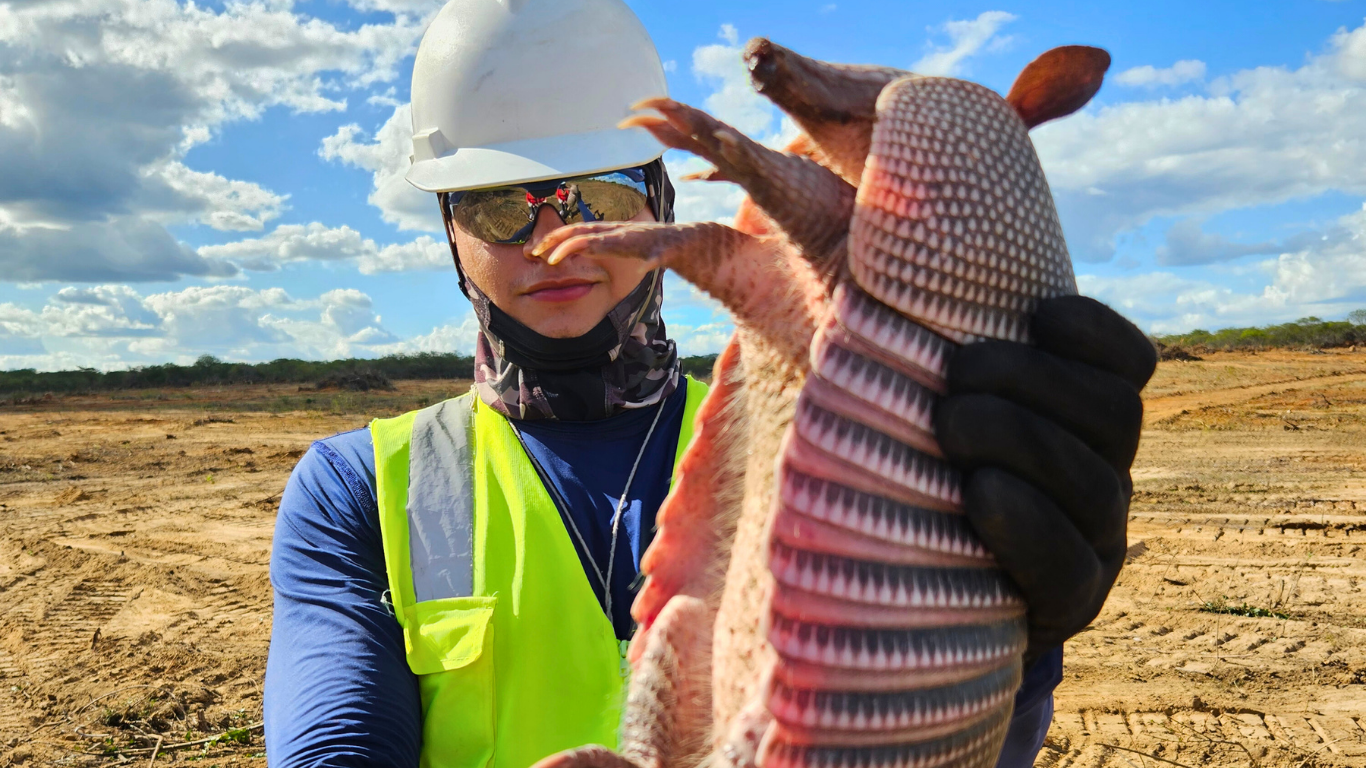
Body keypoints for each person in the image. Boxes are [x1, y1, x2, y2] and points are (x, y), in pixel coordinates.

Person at [262, 1, 1157, 767]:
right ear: (449, 234)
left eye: (597, 194)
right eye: (499, 205)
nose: (548, 238)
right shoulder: (361, 492)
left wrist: (1012, 645)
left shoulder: (783, 412)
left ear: (662, 195)